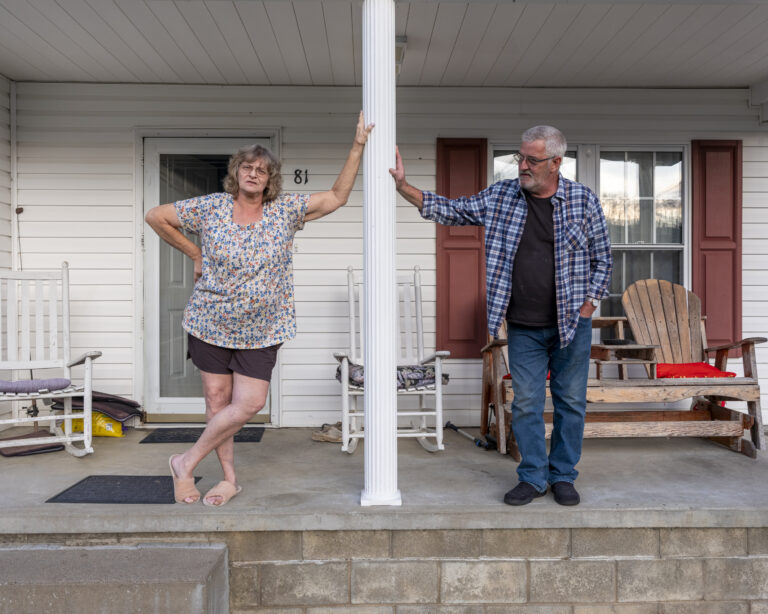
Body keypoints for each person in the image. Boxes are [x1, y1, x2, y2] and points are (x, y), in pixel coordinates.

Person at [146, 112, 373, 505]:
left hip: (263, 328)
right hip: (210, 321)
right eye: (247, 168)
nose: (254, 174)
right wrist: (195, 253)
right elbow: (156, 217)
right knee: (217, 402)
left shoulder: (285, 210)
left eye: (262, 170)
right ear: (237, 173)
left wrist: (357, 146)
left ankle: (184, 461)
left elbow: (337, 197)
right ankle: (228, 479)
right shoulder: (212, 208)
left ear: (270, 180)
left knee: (249, 403)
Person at [389, 126, 612, 506]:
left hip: (571, 325)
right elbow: (454, 210)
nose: (522, 166)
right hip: (524, 327)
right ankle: (533, 477)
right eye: (520, 158)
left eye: (532, 160)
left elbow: (603, 259)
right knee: (525, 402)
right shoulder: (502, 196)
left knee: (570, 402)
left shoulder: (583, 201)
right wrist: (404, 187)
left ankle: (562, 476)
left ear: (556, 163)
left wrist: (589, 302)